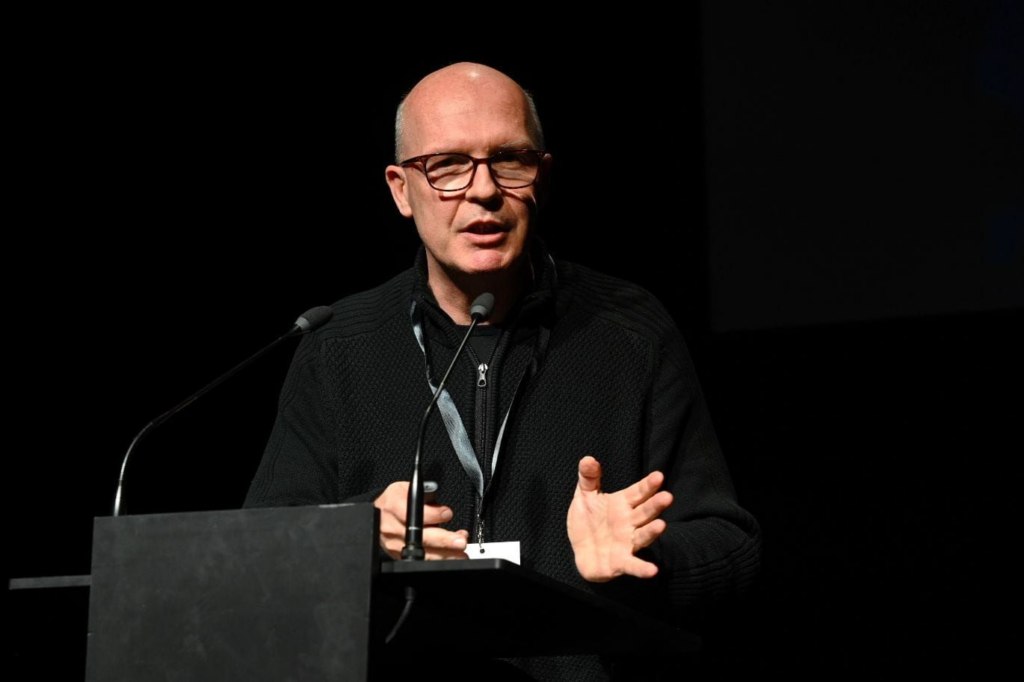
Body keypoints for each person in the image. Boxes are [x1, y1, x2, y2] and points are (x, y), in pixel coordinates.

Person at [244, 62, 760, 680]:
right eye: (448, 165)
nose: (484, 191)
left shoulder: (630, 333)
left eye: (509, 161)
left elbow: (732, 547)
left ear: (542, 176)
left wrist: (646, 559)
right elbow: (253, 555)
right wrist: (351, 535)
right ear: (401, 190)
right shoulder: (336, 347)